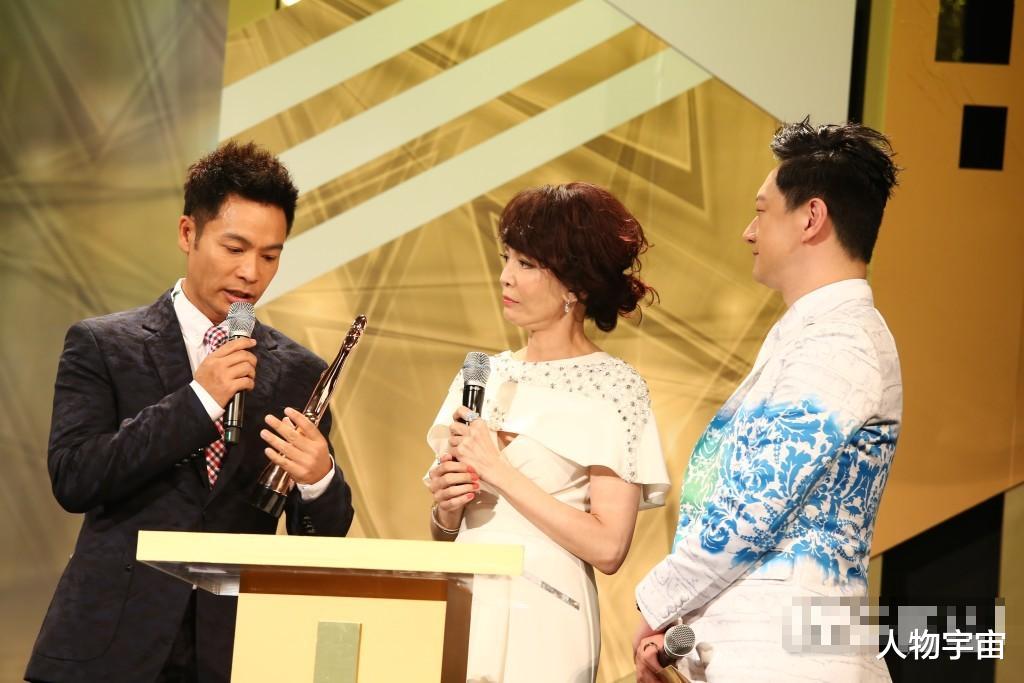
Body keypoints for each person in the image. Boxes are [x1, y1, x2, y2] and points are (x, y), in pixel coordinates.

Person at [25, 141, 354, 683]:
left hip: (231, 653)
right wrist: (198, 401)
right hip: (107, 649)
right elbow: (75, 477)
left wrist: (319, 480)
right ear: (187, 233)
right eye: (234, 248)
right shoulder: (103, 344)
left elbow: (317, 540)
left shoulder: (300, 373)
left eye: (270, 256)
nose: (250, 272)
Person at [633, 120, 902, 682]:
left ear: (811, 217)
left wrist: (657, 601)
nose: (748, 232)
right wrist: (678, 630)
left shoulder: (840, 340)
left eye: (761, 211)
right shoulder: (810, 333)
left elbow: (756, 505)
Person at [425, 182, 671, 682]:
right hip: (465, 601)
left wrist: (499, 471)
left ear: (574, 284)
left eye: (527, 264)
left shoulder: (615, 388)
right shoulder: (483, 373)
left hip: (547, 616)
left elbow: (609, 548)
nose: (505, 276)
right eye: (507, 259)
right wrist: (446, 510)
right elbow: (445, 531)